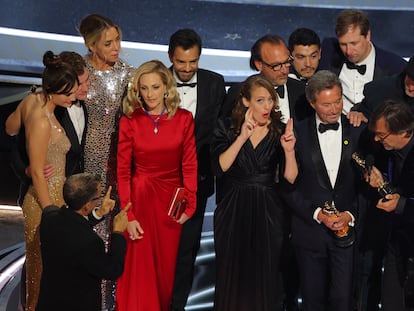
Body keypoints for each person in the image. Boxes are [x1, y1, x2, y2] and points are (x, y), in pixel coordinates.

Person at [280, 70, 366, 311]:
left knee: (343, 300)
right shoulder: (295, 133)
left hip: (346, 232)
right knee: (312, 301)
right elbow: (288, 188)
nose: (334, 108)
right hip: (310, 232)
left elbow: (366, 183)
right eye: (326, 104)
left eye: (338, 101)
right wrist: (318, 214)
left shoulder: (359, 130)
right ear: (312, 103)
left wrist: (349, 215)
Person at [116, 60, 198, 311]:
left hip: (170, 205)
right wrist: (128, 214)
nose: (149, 94)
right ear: (137, 90)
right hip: (139, 201)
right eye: (144, 88)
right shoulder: (130, 120)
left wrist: (191, 204)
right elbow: (122, 171)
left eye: (154, 87)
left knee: (164, 273)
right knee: (138, 271)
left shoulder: (184, 119)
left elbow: (190, 164)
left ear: (166, 87)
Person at [211, 74, 296, 311]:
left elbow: (290, 178)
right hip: (233, 208)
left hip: (269, 209)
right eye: (260, 100)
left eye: (270, 99)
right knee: (232, 271)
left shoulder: (280, 130)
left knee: (266, 274)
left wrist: (289, 151)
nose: (267, 106)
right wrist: (242, 138)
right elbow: (220, 167)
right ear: (246, 101)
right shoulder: (226, 127)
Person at [5, 51, 79, 311]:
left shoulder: (31, 100)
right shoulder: (42, 122)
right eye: (68, 94)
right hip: (45, 201)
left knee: (45, 270)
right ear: (52, 90)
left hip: (54, 198)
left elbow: (10, 128)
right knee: (40, 273)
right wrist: (50, 212)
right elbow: (37, 172)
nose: (72, 98)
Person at [167, 28, 226, 311]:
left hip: (197, 181)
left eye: (193, 62)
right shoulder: (155, 82)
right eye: (181, 62)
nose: (188, 68)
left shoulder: (215, 83)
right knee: (160, 248)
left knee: (187, 248)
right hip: (159, 181)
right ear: (170, 58)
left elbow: (218, 130)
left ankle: (176, 306)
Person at [78, 13, 134, 309]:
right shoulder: (79, 71)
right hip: (82, 166)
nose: (117, 48)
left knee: (109, 234)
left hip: (114, 165)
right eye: (109, 43)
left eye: (118, 41)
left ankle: (107, 304)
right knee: (83, 233)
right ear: (91, 44)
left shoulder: (129, 74)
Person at [36, 173, 130, 311]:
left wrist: (99, 213)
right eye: (98, 197)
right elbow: (112, 270)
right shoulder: (91, 242)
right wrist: (118, 232)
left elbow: (74, 227)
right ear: (86, 206)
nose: (99, 200)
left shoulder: (49, 217)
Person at [365, 100, 414, 311]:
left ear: (404, 132)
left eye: (382, 135)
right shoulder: (387, 149)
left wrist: (401, 205)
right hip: (397, 242)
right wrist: (381, 181)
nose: (377, 139)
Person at [319, 9, 407, 114]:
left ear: (368, 35)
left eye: (354, 43)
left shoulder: (396, 66)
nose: (348, 51)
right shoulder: (328, 50)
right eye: (343, 44)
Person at [220, 34, 312, 122]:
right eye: (276, 65)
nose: (284, 70)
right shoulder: (239, 93)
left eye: (287, 62)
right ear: (259, 64)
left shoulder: (303, 92)